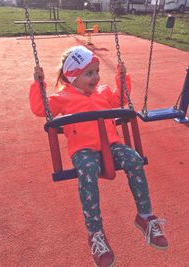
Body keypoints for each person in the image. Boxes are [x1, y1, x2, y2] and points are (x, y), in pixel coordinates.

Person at [29, 45, 168, 267]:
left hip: (111, 144)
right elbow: (40, 109)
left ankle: (145, 216)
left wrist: (122, 78)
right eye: (89, 73)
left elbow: (120, 98)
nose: (95, 77)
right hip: (83, 150)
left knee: (133, 158)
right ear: (71, 75)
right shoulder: (63, 97)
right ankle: (95, 233)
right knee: (88, 170)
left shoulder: (103, 92)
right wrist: (39, 84)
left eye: (96, 71)